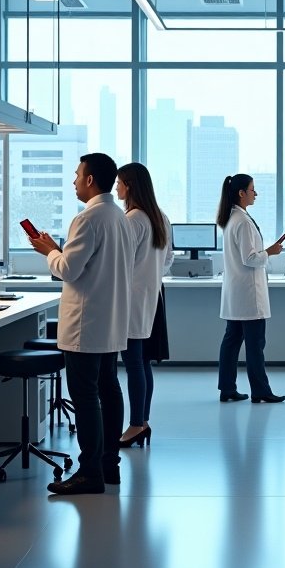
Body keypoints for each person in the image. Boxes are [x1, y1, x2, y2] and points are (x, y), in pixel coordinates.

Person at [30, 152, 132, 495]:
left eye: (77, 175)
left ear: (90, 180)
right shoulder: (119, 216)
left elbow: (68, 270)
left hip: (86, 324)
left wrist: (48, 251)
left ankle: (89, 473)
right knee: (109, 389)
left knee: (86, 396)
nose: (74, 181)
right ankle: (108, 465)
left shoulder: (86, 219)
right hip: (110, 320)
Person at [116, 162, 173, 448]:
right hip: (152, 297)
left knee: (133, 364)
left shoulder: (132, 219)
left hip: (131, 300)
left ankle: (136, 423)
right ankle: (142, 420)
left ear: (129, 186)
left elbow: (119, 262)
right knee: (142, 362)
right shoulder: (160, 217)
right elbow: (169, 260)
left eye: (119, 183)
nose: (116, 188)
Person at [216, 173, 285, 403]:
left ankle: (227, 388)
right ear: (241, 193)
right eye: (252, 189)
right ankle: (261, 391)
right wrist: (271, 252)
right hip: (248, 295)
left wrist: (265, 251)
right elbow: (250, 258)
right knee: (255, 346)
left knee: (232, 342)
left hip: (237, 294)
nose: (255, 193)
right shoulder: (243, 222)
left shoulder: (232, 219)